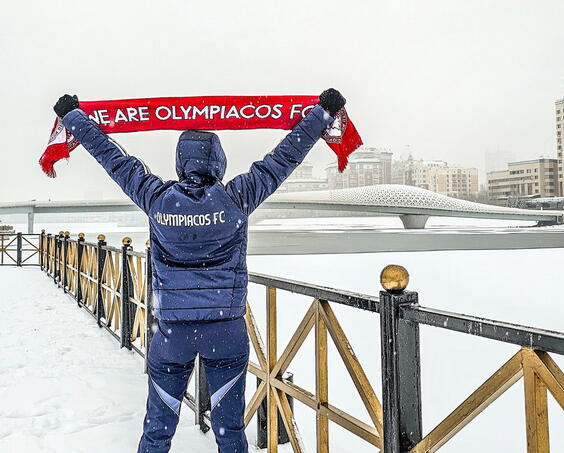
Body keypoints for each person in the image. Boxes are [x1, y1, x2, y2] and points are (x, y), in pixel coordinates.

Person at [53, 89, 346, 453]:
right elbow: (283, 158)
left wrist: (74, 118)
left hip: (172, 334)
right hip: (226, 331)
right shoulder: (237, 198)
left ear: (180, 163)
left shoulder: (156, 198)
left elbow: (113, 159)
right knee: (231, 433)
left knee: (157, 432)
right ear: (219, 163)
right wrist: (321, 114)